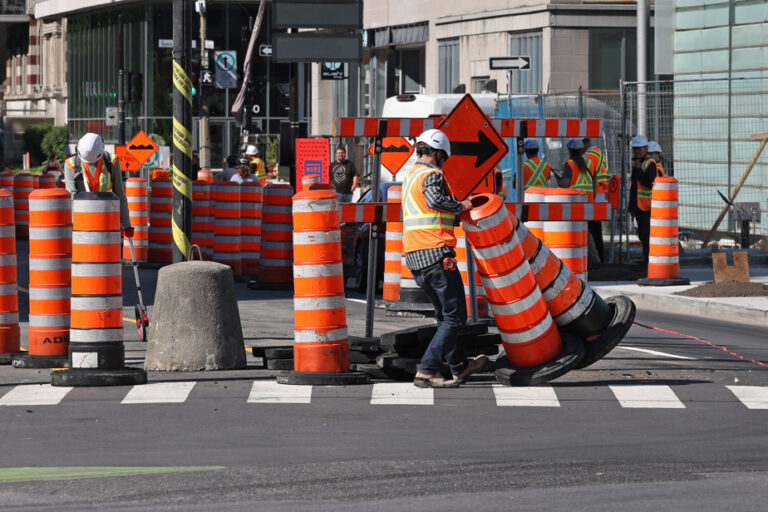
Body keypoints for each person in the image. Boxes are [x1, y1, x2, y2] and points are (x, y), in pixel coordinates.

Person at [403, 129, 488, 388]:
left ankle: (459, 366)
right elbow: (435, 201)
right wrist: (461, 206)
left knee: (444, 317)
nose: (444, 163)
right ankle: (427, 370)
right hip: (436, 252)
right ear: (439, 154)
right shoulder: (432, 174)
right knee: (454, 318)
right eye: (444, 158)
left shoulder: (410, 176)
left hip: (415, 256)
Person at [63, 133, 133, 238]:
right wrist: (74, 226)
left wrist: (127, 224)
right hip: (84, 221)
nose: (90, 164)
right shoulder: (71, 165)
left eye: (93, 161)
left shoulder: (111, 161)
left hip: (107, 218)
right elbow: (71, 198)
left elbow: (120, 194)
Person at [629, 135, 664, 267]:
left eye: (640, 148)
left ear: (645, 149)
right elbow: (635, 186)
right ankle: (646, 261)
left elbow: (649, 183)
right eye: (635, 149)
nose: (637, 151)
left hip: (647, 207)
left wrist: (638, 169)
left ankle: (648, 262)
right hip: (639, 206)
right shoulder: (640, 163)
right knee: (643, 235)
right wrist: (632, 206)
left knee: (646, 235)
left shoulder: (650, 164)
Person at [583, 138, 608, 263]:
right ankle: (600, 257)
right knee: (596, 229)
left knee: (592, 229)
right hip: (600, 193)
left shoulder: (588, 156)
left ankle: (596, 259)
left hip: (593, 194)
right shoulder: (598, 153)